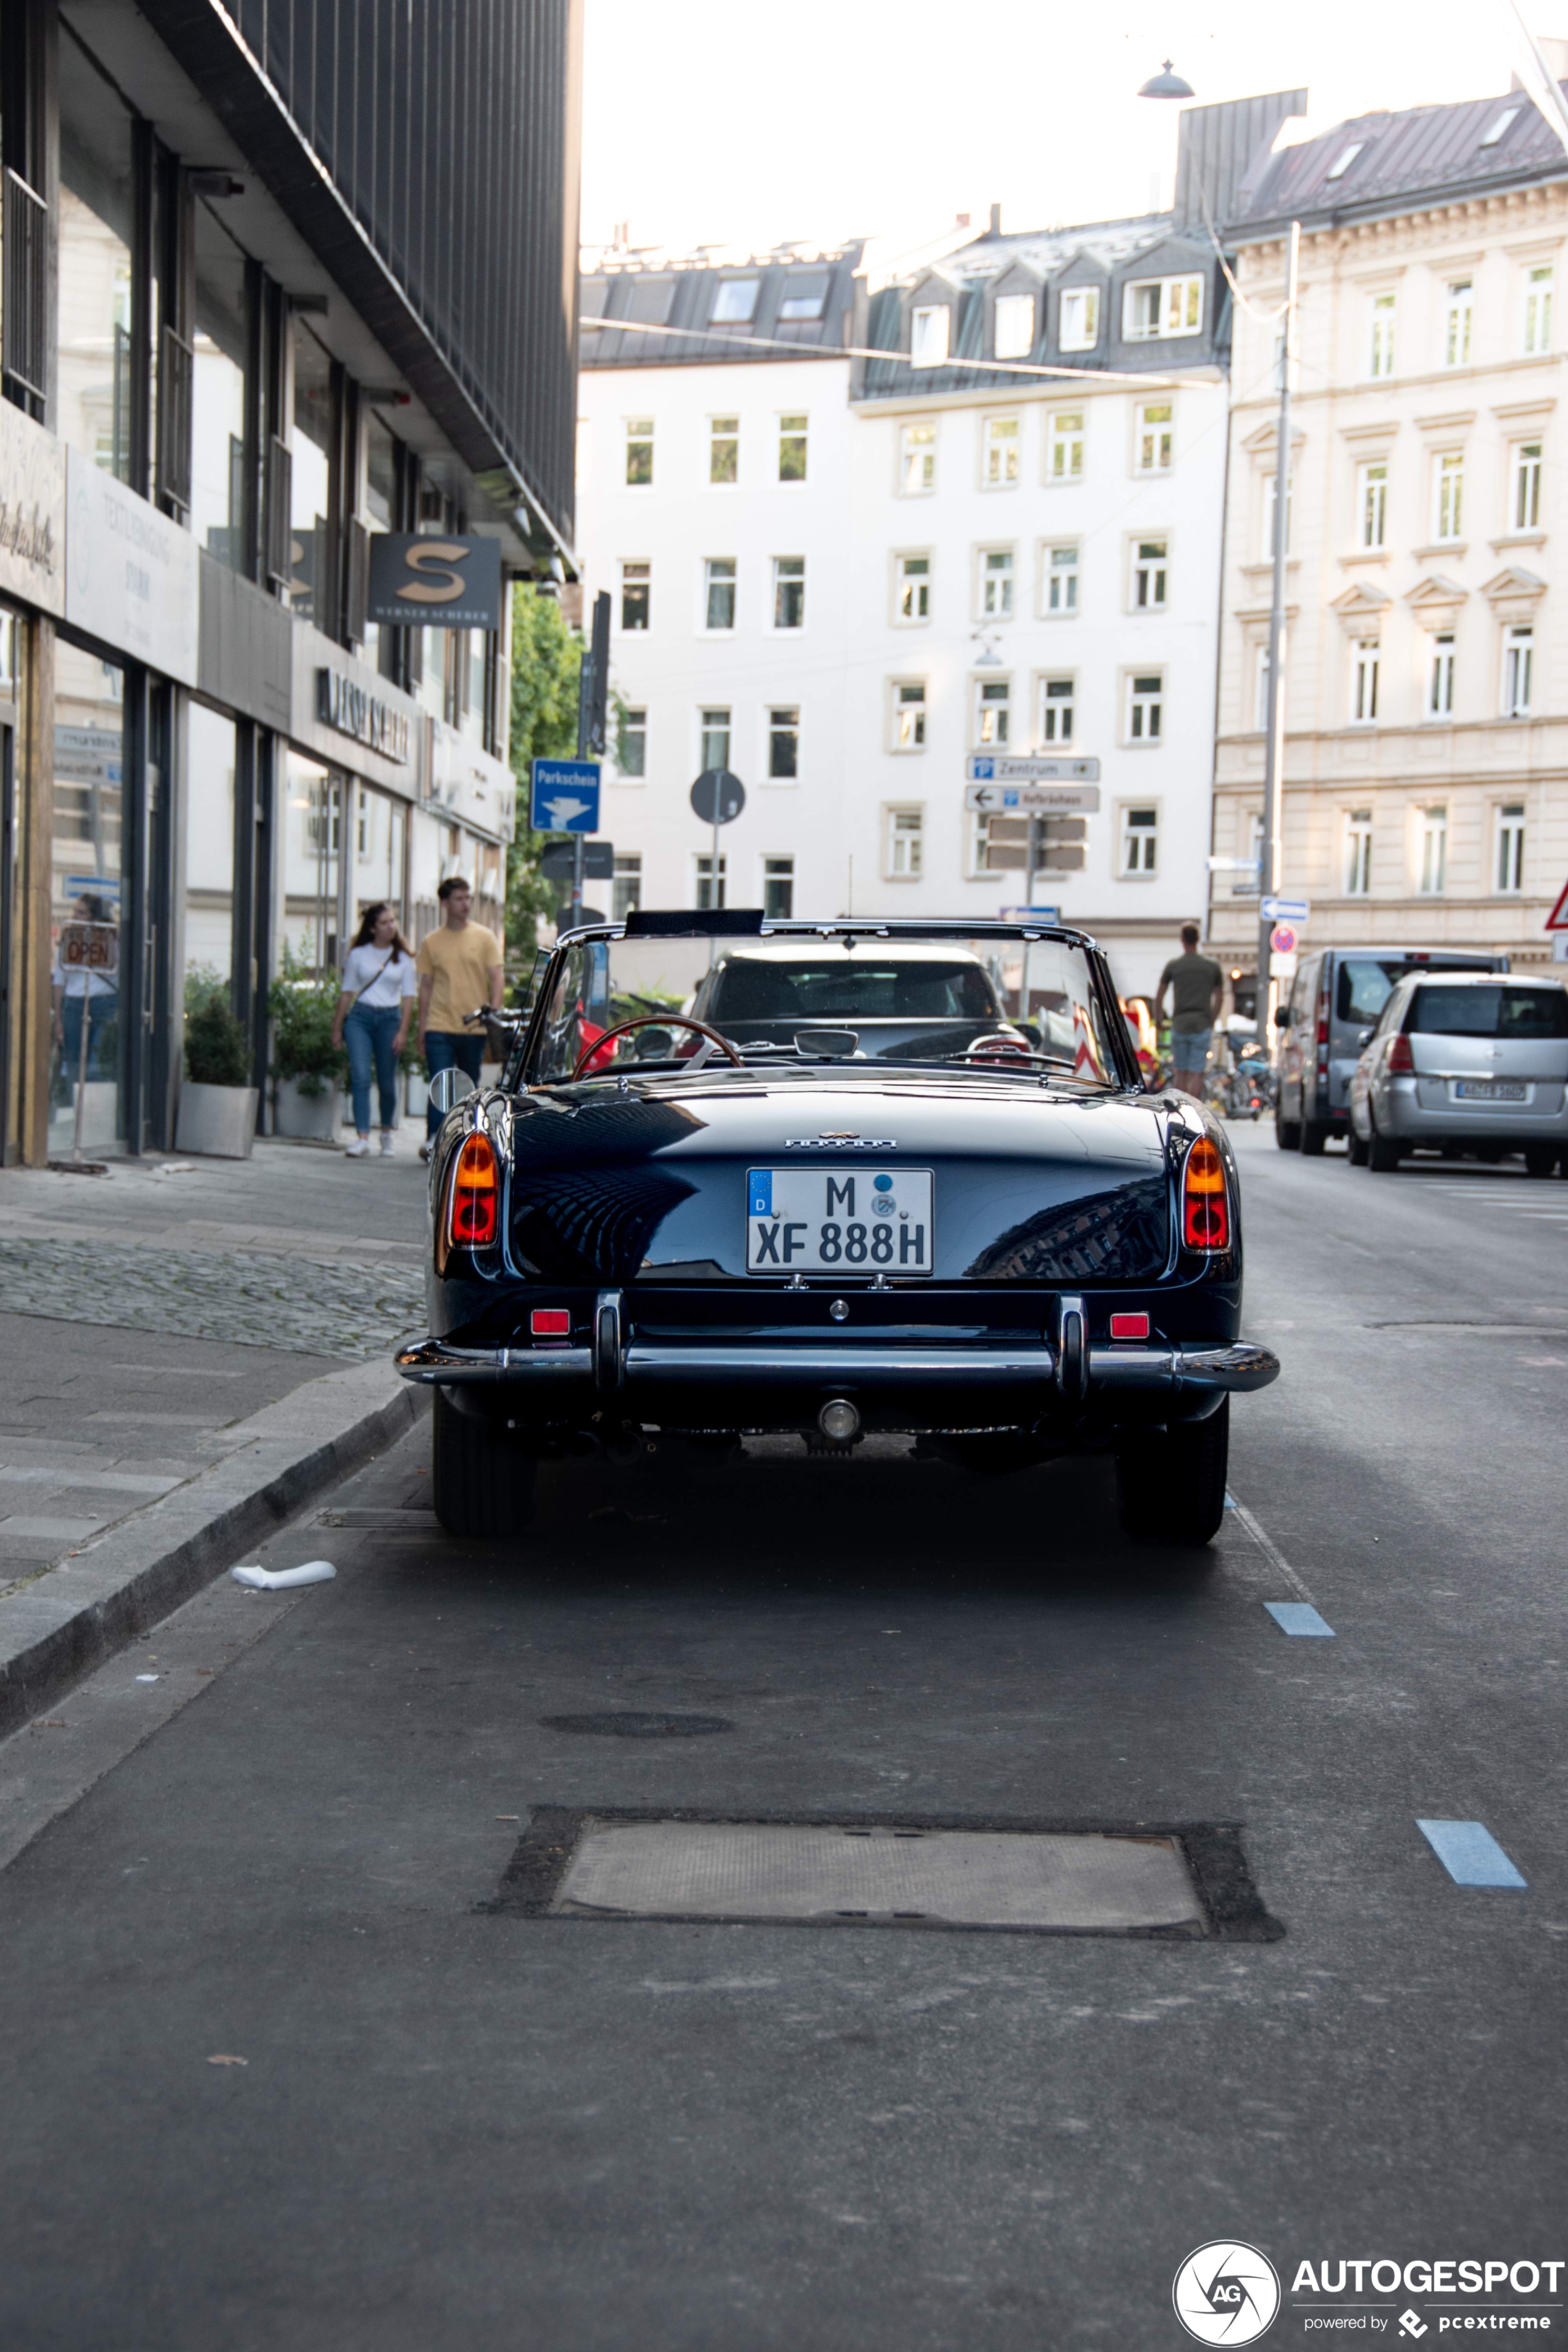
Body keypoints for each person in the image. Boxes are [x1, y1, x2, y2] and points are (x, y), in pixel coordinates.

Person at [415, 875, 504, 1156]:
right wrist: (421, 1028)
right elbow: (426, 986)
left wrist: (494, 1014)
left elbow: (497, 977)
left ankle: (463, 1140)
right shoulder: (432, 942)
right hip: (439, 1024)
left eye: (468, 898)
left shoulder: (484, 936)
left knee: (468, 1086)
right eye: (459, 899)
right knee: (441, 1082)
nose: (466, 904)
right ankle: (433, 1138)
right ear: (445, 903)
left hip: (474, 1026)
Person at [331, 903, 417, 1159]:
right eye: (385, 922)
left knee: (387, 1081)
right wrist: (337, 1028)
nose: (391, 926)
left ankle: (387, 1133)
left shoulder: (404, 959)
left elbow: (409, 999)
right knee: (360, 1076)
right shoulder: (358, 955)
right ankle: (362, 1137)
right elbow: (347, 993)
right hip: (361, 1017)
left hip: (390, 1019)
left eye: (393, 921)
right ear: (372, 928)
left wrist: (403, 1032)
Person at [51, 893, 120, 1092]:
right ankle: (77, 1105)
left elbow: (119, 974)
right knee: (74, 1061)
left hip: (104, 1001)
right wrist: (58, 1019)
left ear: (94, 917)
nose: (75, 916)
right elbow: (59, 981)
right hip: (74, 1004)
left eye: (82, 913)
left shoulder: (111, 939)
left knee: (97, 1063)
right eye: (75, 911)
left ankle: (93, 1109)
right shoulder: (67, 940)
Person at [1154, 924, 1224, 1099]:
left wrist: (1159, 1020)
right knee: (1197, 1074)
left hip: (1180, 1025)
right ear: (1198, 939)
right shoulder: (1212, 967)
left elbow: (1159, 996)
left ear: (1183, 940)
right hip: (1201, 1025)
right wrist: (1211, 1020)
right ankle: (1195, 1113)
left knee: (1181, 1073)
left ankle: (1179, 1112)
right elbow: (1220, 997)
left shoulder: (1174, 966)